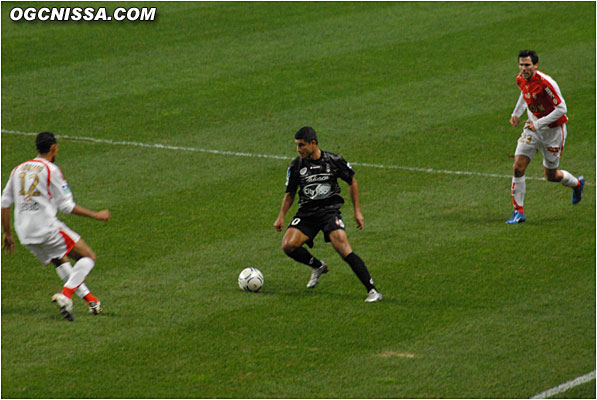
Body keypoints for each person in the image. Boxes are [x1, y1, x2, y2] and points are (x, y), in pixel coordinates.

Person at [1, 132, 110, 321]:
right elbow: (66, 206)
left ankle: (91, 300)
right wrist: (96, 215)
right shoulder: (51, 169)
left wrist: (7, 234)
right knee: (88, 256)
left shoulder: (17, 169)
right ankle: (66, 295)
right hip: (46, 227)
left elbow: (4, 203)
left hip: (24, 233)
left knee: (59, 259)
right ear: (53, 148)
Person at [273, 126, 382, 302]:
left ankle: (373, 291)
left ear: (313, 143)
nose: (298, 150)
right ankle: (318, 266)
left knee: (343, 248)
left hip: (329, 212)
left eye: (301, 145)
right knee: (288, 245)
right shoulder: (296, 165)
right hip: (307, 213)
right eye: (297, 146)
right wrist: (281, 216)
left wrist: (357, 212)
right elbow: (290, 193)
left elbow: (351, 181)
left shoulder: (333, 160)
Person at [507, 50, 584, 224]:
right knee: (518, 167)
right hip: (532, 130)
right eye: (521, 64)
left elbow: (562, 109)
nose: (523, 68)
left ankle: (577, 184)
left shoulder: (546, 83)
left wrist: (539, 123)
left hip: (553, 133)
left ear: (536, 65)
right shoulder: (520, 78)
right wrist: (516, 113)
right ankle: (518, 212)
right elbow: (524, 94)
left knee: (551, 175)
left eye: (527, 65)